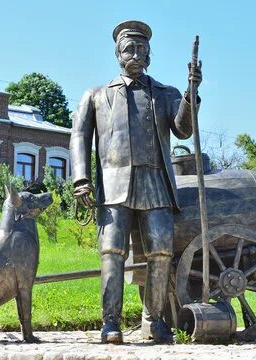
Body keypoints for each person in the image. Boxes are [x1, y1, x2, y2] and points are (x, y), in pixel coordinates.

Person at [70, 20, 201, 344]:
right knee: (112, 251)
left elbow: (183, 129)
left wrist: (190, 94)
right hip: (114, 186)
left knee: (160, 251)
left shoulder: (165, 93)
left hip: (155, 182)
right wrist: (81, 179)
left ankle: (153, 320)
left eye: (143, 48)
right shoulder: (97, 96)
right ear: (118, 52)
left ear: (150, 54)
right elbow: (79, 137)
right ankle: (110, 323)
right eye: (130, 47)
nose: (137, 53)